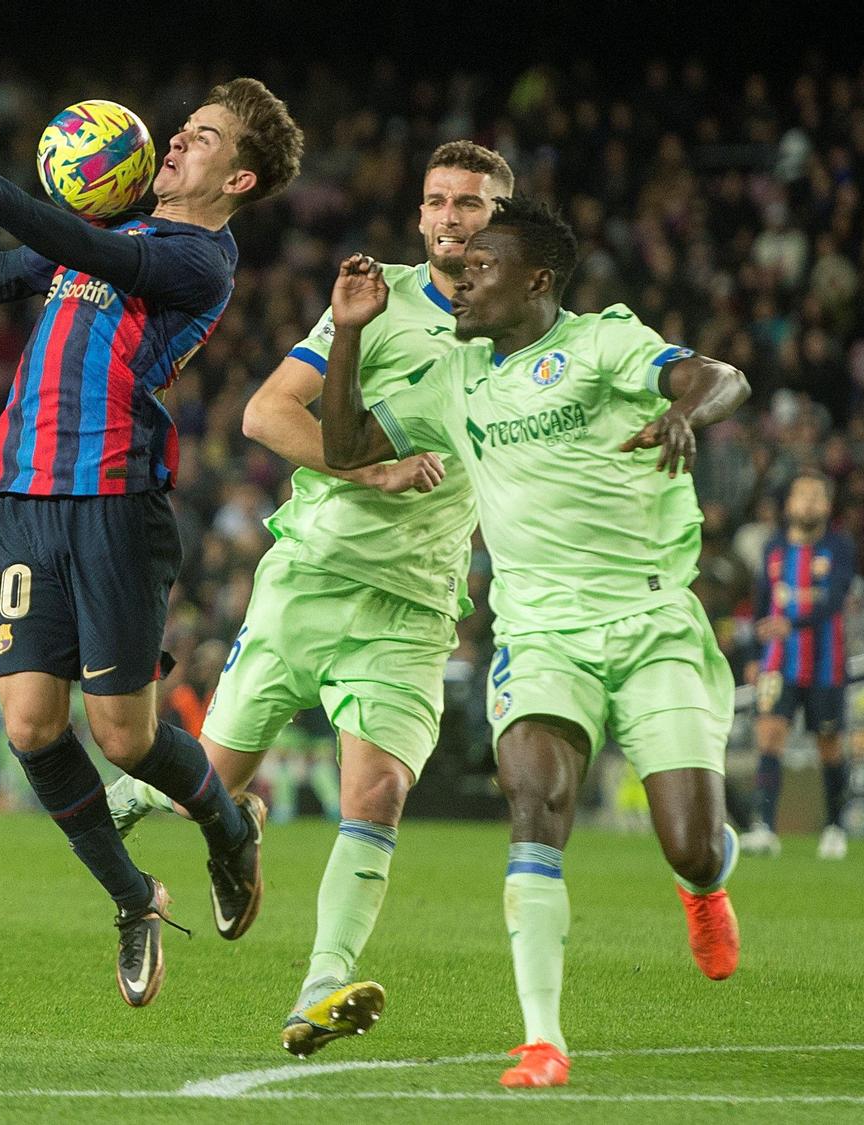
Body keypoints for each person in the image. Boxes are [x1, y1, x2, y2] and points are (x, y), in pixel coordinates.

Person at [0, 78, 303, 1006]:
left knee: (125, 737)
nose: (172, 146)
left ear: (237, 179)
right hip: (26, 493)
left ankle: (230, 830)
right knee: (31, 725)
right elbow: (3, 272)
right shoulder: (123, 237)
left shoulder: (198, 261)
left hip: (114, 499)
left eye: (196, 139)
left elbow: (67, 243)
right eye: (179, 130)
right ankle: (135, 898)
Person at [318, 197, 751, 1089]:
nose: (462, 276)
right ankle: (543, 1040)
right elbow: (345, 441)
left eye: (482, 265)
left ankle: (707, 883)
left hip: (650, 616)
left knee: (688, 843)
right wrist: (350, 337)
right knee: (533, 803)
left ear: (537, 280)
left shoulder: (604, 344)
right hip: (539, 629)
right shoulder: (453, 376)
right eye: (461, 264)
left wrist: (685, 414)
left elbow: (720, 375)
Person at [108, 140, 514, 1055]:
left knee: (375, 793)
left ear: (502, 221)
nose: (451, 218)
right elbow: (265, 413)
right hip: (312, 577)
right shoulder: (377, 303)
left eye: (472, 205)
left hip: (412, 606)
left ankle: (321, 985)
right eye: (437, 201)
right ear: (419, 215)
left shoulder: (532, 334)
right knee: (201, 791)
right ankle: (186, 814)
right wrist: (371, 470)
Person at [744, 471, 858, 859]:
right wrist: (754, 656)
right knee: (769, 735)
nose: (808, 502)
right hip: (777, 661)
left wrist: (791, 623)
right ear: (789, 504)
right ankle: (763, 827)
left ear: (827, 505)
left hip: (827, 663)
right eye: (801, 495)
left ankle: (835, 827)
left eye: (816, 496)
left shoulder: (839, 548)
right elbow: (762, 603)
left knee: (828, 745)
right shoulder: (773, 548)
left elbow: (834, 601)